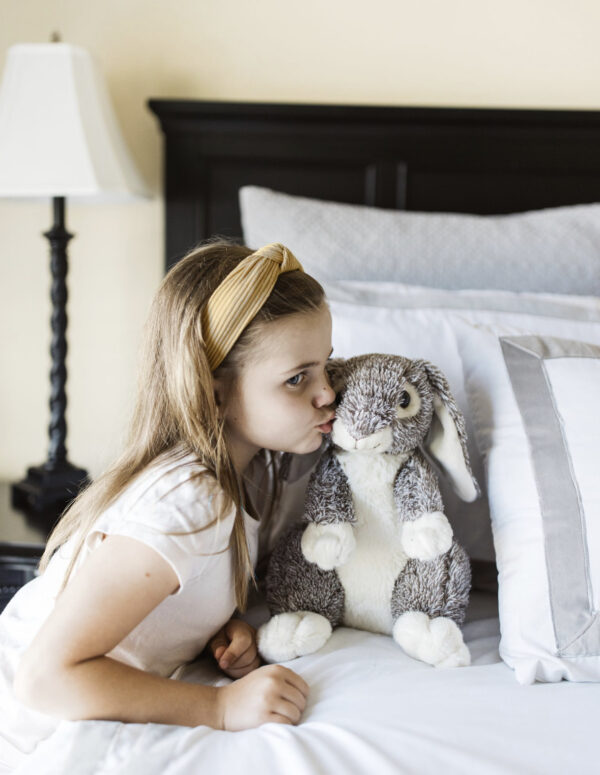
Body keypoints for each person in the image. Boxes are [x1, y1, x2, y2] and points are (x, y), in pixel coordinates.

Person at [0, 241, 336, 770]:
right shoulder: (187, 500)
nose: (327, 394)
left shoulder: (247, 476)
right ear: (215, 392)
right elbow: (44, 678)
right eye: (298, 378)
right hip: (23, 727)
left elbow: (169, 597)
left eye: (327, 366)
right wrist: (219, 706)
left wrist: (214, 631)